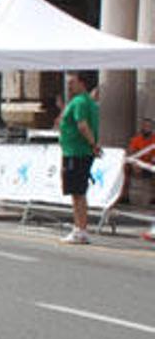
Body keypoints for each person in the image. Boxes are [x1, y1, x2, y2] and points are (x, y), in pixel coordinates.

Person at [59, 72, 101, 244]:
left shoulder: (80, 102)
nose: (69, 86)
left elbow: (82, 125)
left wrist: (93, 145)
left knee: (77, 193)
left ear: (82, 83)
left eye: (72, 83)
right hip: (77, 151)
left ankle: (80, 229)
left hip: (76, 152)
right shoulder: (88, 102)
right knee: (79, 191)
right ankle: (80, 228)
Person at [124, 118, 155, 204]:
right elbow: (130, 153)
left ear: (152, 128)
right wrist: (134, 163)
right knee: (125, 168)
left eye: (149, 126)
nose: (146, 128)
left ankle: (153, 197)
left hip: (151, 164)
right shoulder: (136, 139)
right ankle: (124, 195)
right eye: (144, 126)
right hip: (138, 163)